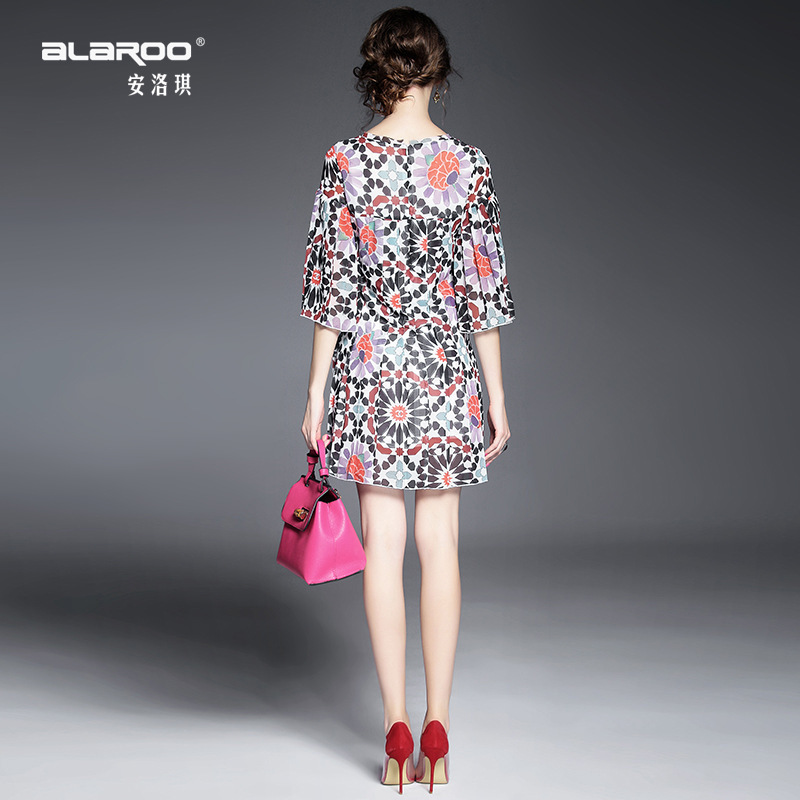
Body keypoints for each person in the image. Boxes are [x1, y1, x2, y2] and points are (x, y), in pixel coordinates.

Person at [299, 7, 514, 792]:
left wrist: (316, 393)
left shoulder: (345, 162)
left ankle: (394, 728)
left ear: (375, 72)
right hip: (444, 374)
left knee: (382, 548)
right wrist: (496, 397)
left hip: (369, 373)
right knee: (441, 546)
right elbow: (484, 292)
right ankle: (438, 727)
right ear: (439, 74)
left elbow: (330, 287)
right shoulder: (468, 166)